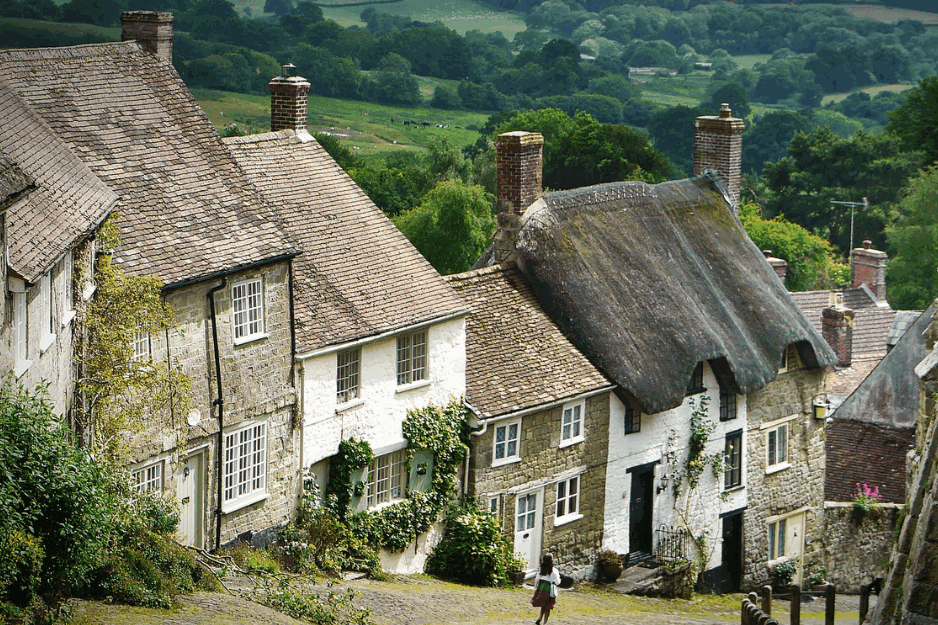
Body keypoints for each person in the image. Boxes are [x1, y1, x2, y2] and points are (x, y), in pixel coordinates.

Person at [530, 552, 560, 625]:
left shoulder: (541, 570)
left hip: (542, 590)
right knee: (548, 607)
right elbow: (558, 582)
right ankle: (545, 622)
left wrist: (536, 587)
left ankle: (540, 618)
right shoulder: (554, 571)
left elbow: (537, 579)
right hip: (550, 591)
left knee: (543, 605)